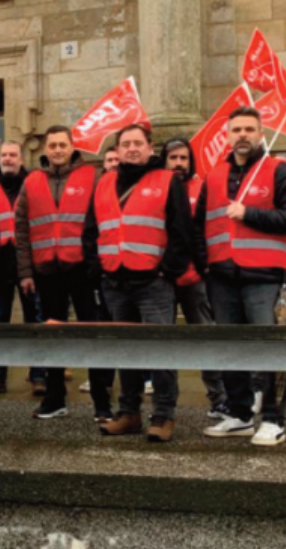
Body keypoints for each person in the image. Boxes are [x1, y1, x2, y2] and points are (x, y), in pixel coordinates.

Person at [197, 106, 286, 446]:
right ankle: (240, 415)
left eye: (249, 129)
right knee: (231, 348)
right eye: (236, 130)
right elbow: (199, 225)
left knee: (268, 347)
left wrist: (249, 213)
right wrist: (204, 265)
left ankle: (274, 419)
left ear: (262, 134)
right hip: (222, 274)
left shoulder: (278, 170)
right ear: (227, 136)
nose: (242, 135)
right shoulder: (214, 175)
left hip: (264, 275)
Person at [84, 124, 191, 443]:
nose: (131, 148)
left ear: (149, 147)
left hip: (152, 282)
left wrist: (167, 271)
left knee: (160, 349)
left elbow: (181, 231)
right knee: (126, 350)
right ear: (117, 150)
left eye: (137, 143)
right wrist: (98, 270)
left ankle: (163, 415)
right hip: (115, 281)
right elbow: (91, 230)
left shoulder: (167, 180)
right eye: (125, 143)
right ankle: (129, 412)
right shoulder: (104, 182)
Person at [16, 126, 104, 419]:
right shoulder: (31, 181)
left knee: (92, 335)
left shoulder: (91, 176)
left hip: (81, 270)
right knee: (53, 337)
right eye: (52, 145)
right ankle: (55, 399)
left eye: (62, 145)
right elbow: (21, 230)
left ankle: (102, 403)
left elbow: (102, 221)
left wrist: (96, 266)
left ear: (71, 147)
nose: (57, 150)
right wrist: (25, 272)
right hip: (46, 271)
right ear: (45, 149)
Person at [161, 137, 227, 419]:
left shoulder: (203, 188)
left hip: (195, 279)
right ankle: (164, 406)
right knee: (163, 344)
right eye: (173, 158)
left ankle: (220, 399)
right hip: (162, 280)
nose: (178, 163)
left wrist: (206, 268)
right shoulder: (155, 188)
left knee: (205, 340)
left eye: (183, 158)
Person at [0, 141, 29, 396]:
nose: (8, 159)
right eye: (4, 155)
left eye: (13, 155)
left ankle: (39, 376)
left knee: (35, 322)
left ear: (21, 159)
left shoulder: (32, 185)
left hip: (27, 263)